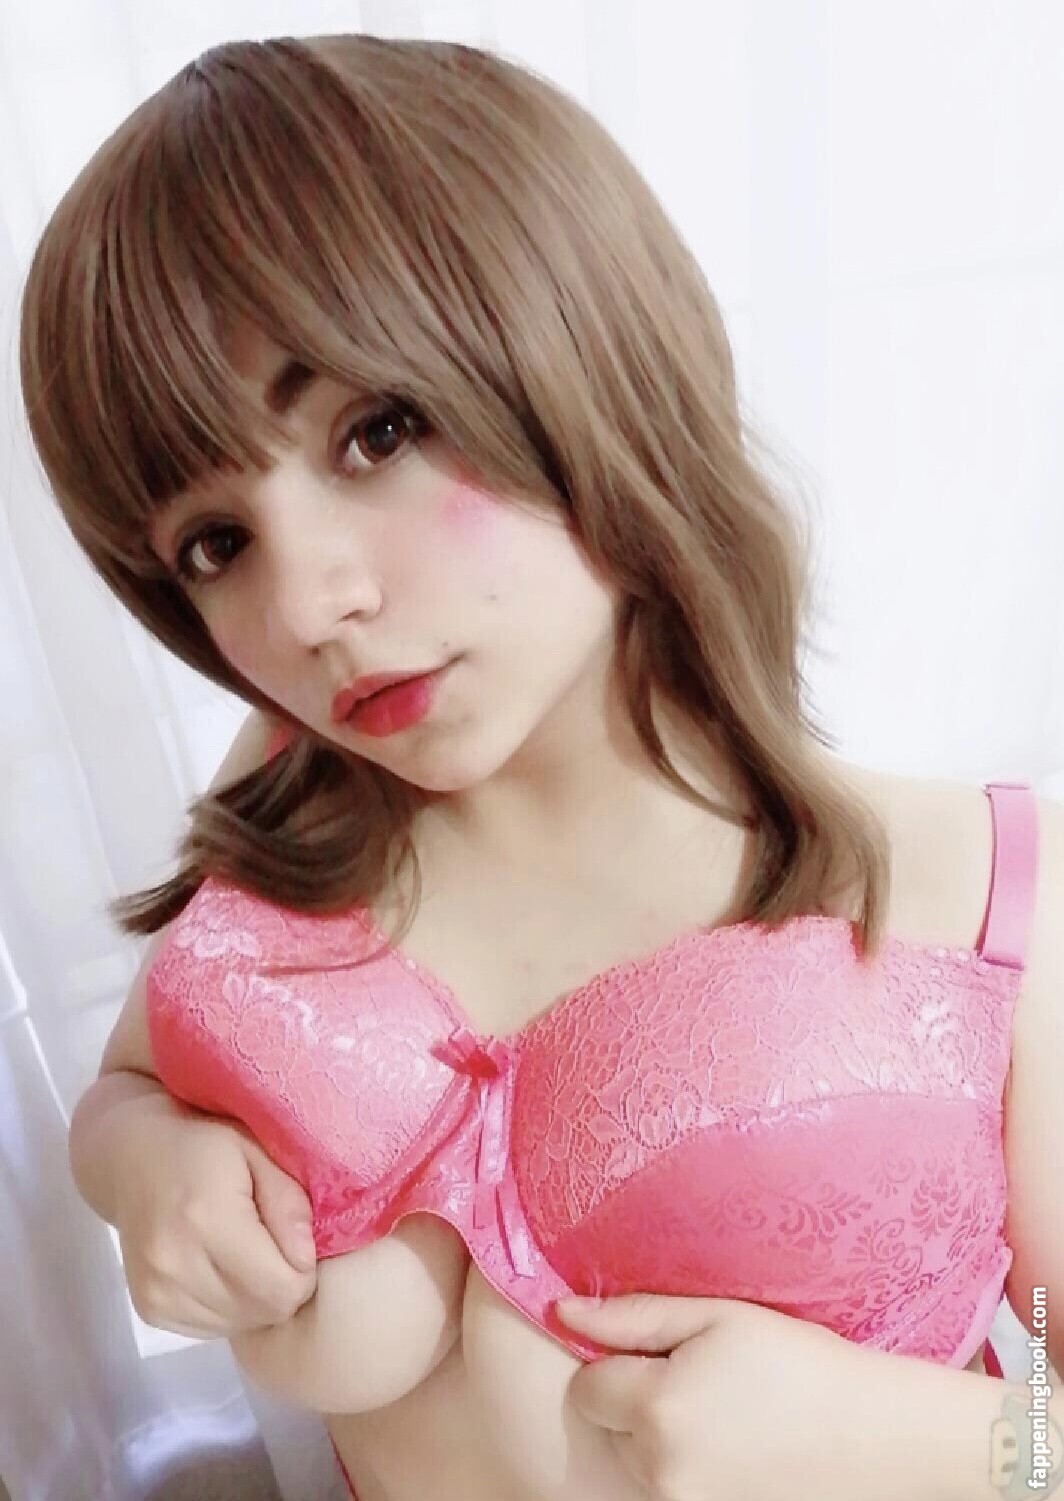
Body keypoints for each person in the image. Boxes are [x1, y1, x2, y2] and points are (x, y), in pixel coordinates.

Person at [19, 32, 1063, 1501]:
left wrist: (926, 1442)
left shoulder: (986, 896)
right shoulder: (298, 853)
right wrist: (141, 1166)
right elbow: (126, 1088)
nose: (306, 606)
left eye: (376, 432)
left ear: (577, 348)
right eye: (215, 543)